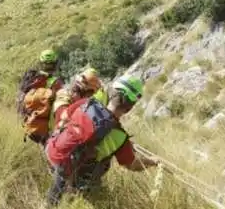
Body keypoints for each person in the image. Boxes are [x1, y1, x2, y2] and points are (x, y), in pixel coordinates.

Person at [44, 74, 159, 207]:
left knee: (57, 185)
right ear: (129, 107)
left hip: (53, 151)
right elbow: (132, 165)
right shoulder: (120, 137)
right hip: (74, 175)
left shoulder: (86, 103)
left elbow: (64, 115)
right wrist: (152, 161)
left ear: (112, 93)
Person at [16, 49, 66, 145]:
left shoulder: (31, 79)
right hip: (48, 125)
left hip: (31, 123)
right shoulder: (57, 82)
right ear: (55, 64)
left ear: (40, 63)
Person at [51, 67, 103, 132]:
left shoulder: (77, 101)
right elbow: (62, 121)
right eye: (90, 93)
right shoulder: (63, 99)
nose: (90, 96)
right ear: (87, 92)